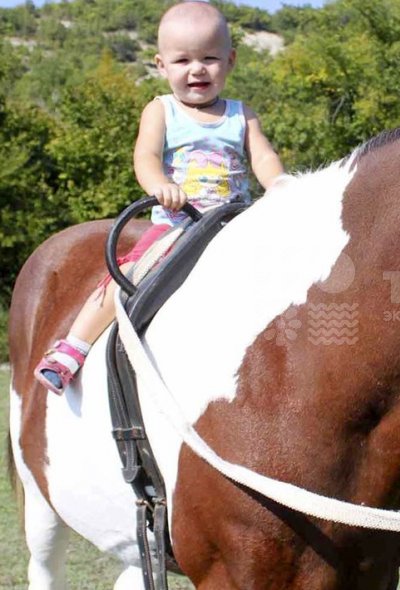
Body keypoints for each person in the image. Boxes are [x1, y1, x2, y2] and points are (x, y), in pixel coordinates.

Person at [34, 1, 285, 395]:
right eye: (182, 60)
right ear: (160, 65)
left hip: (234, 227)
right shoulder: (162, 110)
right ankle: (73, 348)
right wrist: (159, 186)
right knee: (129, 275)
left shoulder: (241, 115)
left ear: (231, 60)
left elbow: (264, 157)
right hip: (177, 225)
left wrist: (279, 185)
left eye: (209, 58)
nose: (197, 69)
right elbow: (145, 157)